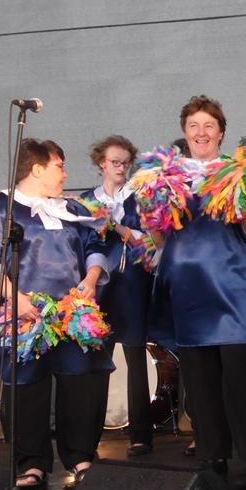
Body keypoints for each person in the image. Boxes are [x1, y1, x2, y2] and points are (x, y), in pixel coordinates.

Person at [144, 95, 246, 483]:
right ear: (184, 132)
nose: (201, 132)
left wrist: (245, 203)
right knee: (199, 377)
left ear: (221, 132)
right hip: (187, 284)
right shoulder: (167, 176)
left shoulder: (237, 171)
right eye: (193, 126)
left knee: (239, 372)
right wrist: (153, 213)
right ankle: (211, 457)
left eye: (209, 125)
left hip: (232, 283)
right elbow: (159, 239)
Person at [0, 138, 112, 488]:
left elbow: (94, 245)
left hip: (72, 312)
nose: (65, 173)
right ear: (36, 169)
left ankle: (81, 456)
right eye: (59, 166)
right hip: (26, 314)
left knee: (81, 382)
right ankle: (31, 464)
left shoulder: (72, 209)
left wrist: (91, 278)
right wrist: (14, 297)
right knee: (27, 386)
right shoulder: (0, 208)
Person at [82, 135, 154, 456]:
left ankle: (141, 435)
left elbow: (152, 243)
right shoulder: (87, 200)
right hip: (99, 290)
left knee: (136, 359)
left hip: (133, 284)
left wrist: (119, 227)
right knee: (97, 362)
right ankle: (89, 436)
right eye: (115, 162)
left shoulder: (140, 198)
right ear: (102, 163)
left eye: (126, 162)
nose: (121, 167)